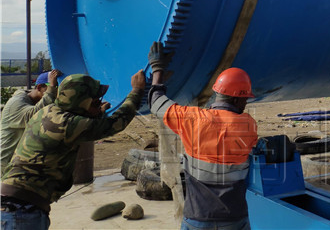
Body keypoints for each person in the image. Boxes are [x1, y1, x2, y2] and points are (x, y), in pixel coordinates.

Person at [0, 70, 146, 230]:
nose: (99, 104)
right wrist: (137, 91)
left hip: (15, 205)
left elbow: (80, 123)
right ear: (80, 102)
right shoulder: (67, 125)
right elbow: (116, 123)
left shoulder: (47, 111)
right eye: (95, 102)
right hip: (21, 213)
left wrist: (95, 113)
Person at [147, 41, 258, 230]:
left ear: (217, 93)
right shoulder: (248, 126)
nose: (246, 104)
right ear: (237, 99)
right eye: (245, 99)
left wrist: (157, 68)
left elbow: (155, 102)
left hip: (197, 218)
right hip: (235, 219)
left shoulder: (191, 119)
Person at [0, 70, 62, 175]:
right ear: (39, 87)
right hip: (7, 165)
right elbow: (34, 116)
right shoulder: (15, 103)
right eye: (54, 88)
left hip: (21, 163)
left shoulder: (33, 102)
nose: (56, 92)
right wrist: (51, 88)